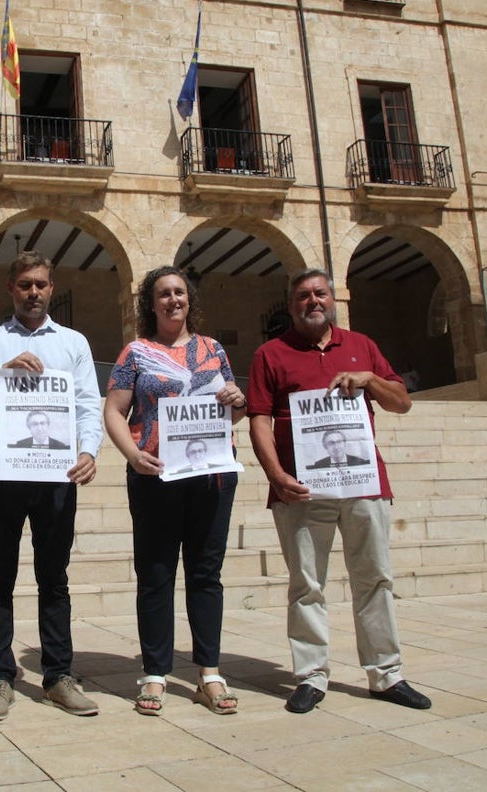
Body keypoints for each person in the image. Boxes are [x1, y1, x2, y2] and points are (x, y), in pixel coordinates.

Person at [247, 268, 431, 714]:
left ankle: (386, 675)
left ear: (333, 300)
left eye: (320, 294)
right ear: (291, 306)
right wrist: (275, 475)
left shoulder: (362, 346)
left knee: (375, 579)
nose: (313, 301)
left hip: (364, 485)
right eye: (303, 296)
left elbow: (401, 402)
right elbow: (259, 419)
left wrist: (369, 380)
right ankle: (311, 676)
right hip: (302, 490)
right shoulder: (271, 354)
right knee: (306, 584)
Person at [0, 251, 102, 721]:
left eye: (40, 284)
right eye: (24, 285)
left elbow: (87, 405)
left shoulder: (73, 342)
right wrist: (1, 370)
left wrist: (89, 451)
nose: (32, 292)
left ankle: (58, 676)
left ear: (51, 288)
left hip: (57, 477)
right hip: (1, 475)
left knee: (53, 579)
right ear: (10, 290)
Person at [104, 266, 245, 716]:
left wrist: (237, 400)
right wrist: (131, 453)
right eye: (163, 294)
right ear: (152, 303)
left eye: (179, 292)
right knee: (157, 575)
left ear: (189, 299)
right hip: (155, 476)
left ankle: (209, 673)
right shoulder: (136, 353)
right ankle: (155, 673)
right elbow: (113, 410)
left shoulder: (213, 349)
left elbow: (229, 413)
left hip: (212, 477)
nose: (172, 300)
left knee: (206, 574)